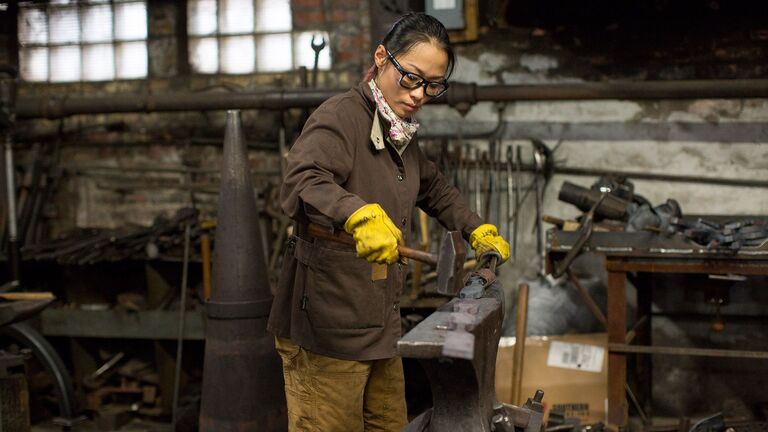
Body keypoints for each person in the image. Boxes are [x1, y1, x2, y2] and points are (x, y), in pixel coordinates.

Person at [267, 12, 510, 432]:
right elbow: (302, 179)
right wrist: (355, 214)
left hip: (381, 327)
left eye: (433, 86)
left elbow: (433, 188)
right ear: (382, 57)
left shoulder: (398, 131)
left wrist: (476, 228)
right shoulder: (341, 116)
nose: (419, 94)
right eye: (411, 78)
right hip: (329, 330)